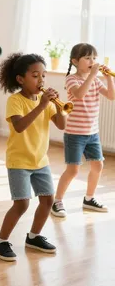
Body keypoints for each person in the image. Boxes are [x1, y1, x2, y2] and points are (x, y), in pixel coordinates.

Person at [0, 53, 67, 262]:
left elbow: (61, 125)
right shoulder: (15, 101)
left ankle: (34, 237)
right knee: (22, 204)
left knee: (48, 200)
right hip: (19, 162)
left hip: (40, 160)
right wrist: (42, 105)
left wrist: (59, 107)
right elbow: (19, 126)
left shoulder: (47, 103)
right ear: (20, 79)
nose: (41, 80)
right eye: (35, 76)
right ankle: (0, 241)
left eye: (43, 75)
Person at [51, 43, 115, 218]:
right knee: (73, 170)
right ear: (75, 61)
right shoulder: (71, 79)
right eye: (87, 58)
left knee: (98, 165)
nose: (92, 61)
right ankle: (57, 201)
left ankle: (89, 198)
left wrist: (108, 78)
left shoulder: (95, 80)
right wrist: (93, 75)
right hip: (75, 134)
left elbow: (111, 96)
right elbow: (79, 94)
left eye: (94, 58)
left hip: (92, 133)